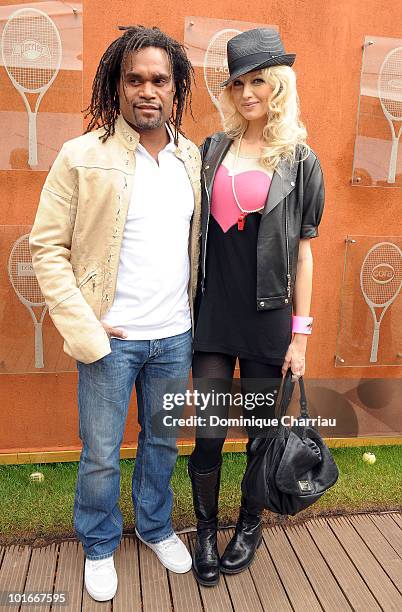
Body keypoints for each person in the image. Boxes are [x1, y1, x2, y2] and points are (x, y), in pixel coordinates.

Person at [29, 26, 201, 601]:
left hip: (175, 335)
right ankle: (99, 543)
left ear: (176, 89)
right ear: (116, 85)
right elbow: (46, 246)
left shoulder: (191, 157)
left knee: (161, 442)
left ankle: (154, 526)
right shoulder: (81, 155)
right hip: (111, 337)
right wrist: (82, 321)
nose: (146, 90)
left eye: (159, 79)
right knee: (100, 452)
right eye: (135, 79)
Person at [187, 28, 325, 586]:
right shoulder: (212, 149)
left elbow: (305, 253)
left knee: (261, 433)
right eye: (238, 83)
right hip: (214, 316)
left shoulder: (301, 160)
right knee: (210, 433)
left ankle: (249, 523)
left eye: (258, 81)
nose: (247, 93)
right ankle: (203, 533)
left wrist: (301, 336)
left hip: (269, 317)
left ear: (279, 86)